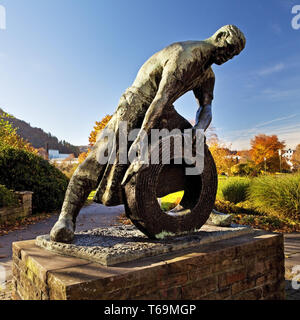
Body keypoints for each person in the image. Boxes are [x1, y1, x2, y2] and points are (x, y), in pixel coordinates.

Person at [50, 24, 246, 243]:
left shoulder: (207, 75)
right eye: (229, 49)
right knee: (101, 158)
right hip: (137, 104)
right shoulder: (187, 55)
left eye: (233, 55)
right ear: (219, 37)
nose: (228, 57)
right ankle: (66, 218)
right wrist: (142, 139)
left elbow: (206, 108)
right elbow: (160, 99)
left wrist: (199, 129)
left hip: (162, 109)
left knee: (194, 149)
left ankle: (201, 206)